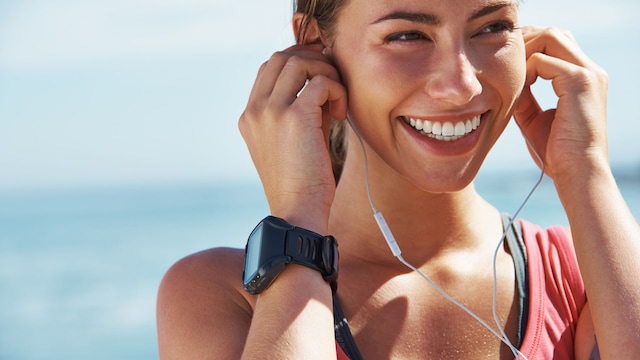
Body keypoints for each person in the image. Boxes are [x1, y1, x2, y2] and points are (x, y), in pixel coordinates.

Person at [156, 0, 640, 358]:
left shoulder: (584, 275)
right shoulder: (220, 294)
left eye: (493, 26)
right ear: (313, 45)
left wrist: (588, 171)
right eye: (408, 35)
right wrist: (299, 211)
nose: (462, 85)